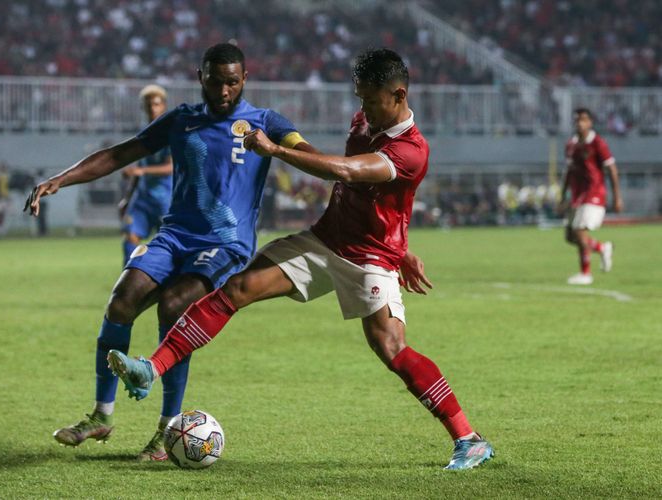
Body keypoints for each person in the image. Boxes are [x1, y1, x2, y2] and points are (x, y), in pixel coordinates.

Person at [108, 48, 494, 470]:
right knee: (238, 287)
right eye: (359, 97)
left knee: (391, 347)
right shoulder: (365, 119)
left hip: (368, 257)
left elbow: (343, 171)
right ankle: (151, 367)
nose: (361, 108)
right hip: (325, 240)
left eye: (369, 100)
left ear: (398, 94)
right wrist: (406, 247)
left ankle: (468, 438)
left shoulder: (410, 151)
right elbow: (380, 202)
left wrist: (274, 150)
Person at [24, 43, 313, 461]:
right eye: (216, 81)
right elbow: (121, 153)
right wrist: (60, 180)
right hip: (174, 236)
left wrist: (282, 151)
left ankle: (166, 431)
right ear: (201, 77)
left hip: (225, 244)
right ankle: (101, 415)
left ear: (245, 79)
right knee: (122, 300)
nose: (224, 90)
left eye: (232, 82)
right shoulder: (181, 119)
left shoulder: (265, 122)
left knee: (175, 305)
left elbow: (310, 156)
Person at [560, 108, 623, 285]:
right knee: (570, 236)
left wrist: (617, 197)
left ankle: (586, 274)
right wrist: (562, 196)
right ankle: (602, 248)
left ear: (590, 123)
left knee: (580, 231)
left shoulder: (597, 143)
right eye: (577, 120)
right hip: (577, 195)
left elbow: (611, 168)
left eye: (584, 120)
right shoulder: (571, 145)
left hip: (594, 193)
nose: (580, 123)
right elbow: (568, 171)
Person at [119, 85, 174, 265]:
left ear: (164, 106)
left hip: (165, 199)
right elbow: (139, 167)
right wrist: (127, 198)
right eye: (149, 105)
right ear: (144, 108)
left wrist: (141, 171)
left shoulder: (170, 134)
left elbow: (170, 167)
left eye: (156, 104)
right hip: (142, 198)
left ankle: (164, 283)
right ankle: (128, 283)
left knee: (167, 245)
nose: (152, 109)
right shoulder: (144, 135)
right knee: (130, 238)